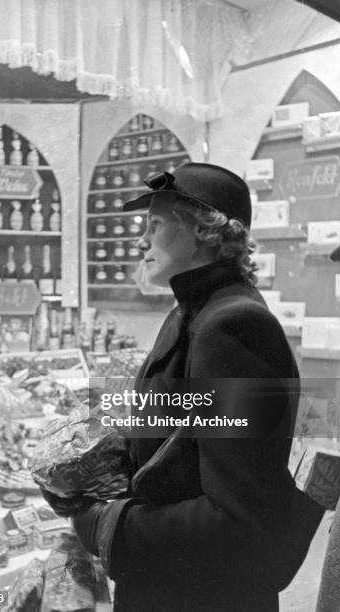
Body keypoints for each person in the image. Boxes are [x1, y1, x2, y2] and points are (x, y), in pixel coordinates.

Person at [43, 163, 324, 611]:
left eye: (155, 224)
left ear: (204, 230)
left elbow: (238, 520)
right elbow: (180, 449)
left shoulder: (233, 325)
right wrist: (90, 476)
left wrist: (104, 524)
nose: (141, 240)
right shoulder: (199, 310)